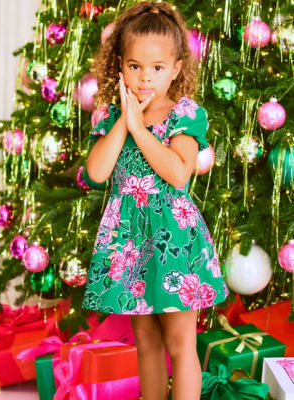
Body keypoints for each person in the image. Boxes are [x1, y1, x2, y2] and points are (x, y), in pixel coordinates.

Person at [81, 2, 228, 399]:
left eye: (157, 68)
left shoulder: (185, 113)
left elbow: (179, 173)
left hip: (174, 239)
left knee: (180, 343)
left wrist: (139, 129)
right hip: (129, 241)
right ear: (120, 66)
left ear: (176, 68)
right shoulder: (111, 115)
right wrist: (124, 122)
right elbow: (96, 173)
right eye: (134, 66)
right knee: (145, 342)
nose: (145, 78)